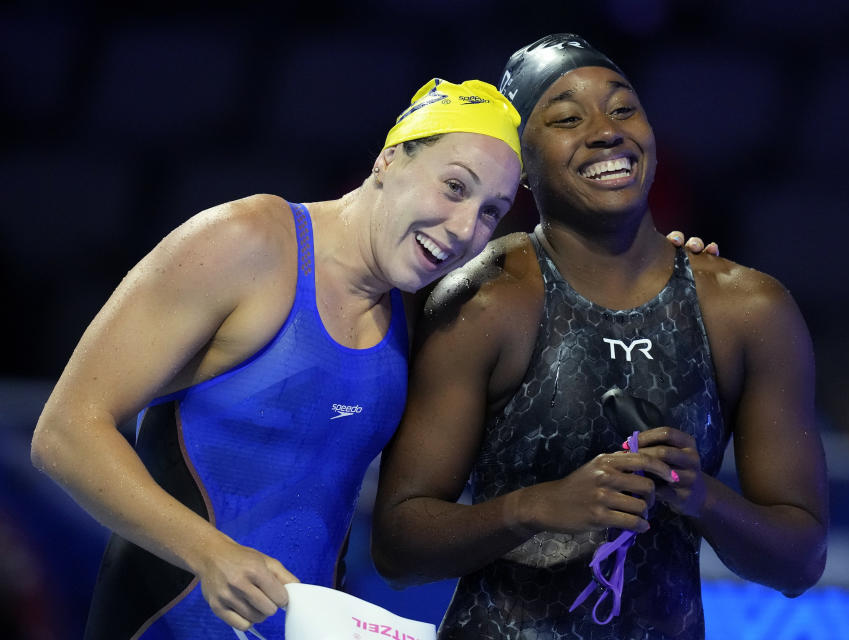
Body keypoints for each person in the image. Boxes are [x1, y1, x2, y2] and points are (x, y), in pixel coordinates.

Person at [30, 77, 526, 640]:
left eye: (492, 211)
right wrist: (210, 554)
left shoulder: (411, 312)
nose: (465, 229)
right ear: (389, 160)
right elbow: (64, 432)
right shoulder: (246, 243)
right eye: (455, 187)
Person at [371, 34, 829, 640]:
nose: (605, 131)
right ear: (522, 169)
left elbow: (800, 562)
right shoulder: (488, 302)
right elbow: (399, 546)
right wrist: (534, 508)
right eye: (565, 118)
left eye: (622, 109)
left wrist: (703, 500)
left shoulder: (749, 310)